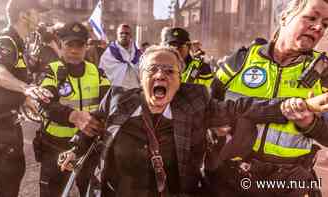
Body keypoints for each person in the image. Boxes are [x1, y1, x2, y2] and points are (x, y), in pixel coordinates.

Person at [58, 45, 328, 197]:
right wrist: (75, 148)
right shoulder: (118, 99)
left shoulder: (195, 103)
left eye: (169, 70)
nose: (161, 75)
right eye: (153, 69)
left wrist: (296, 105)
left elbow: (243, 108)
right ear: (141, 77)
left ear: (180, 79)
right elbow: (94, 126)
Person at [210, 0, 328, 196]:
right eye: (311, 17)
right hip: (231, 179)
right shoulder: (240, 60)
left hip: (288, 184)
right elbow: (207, 106)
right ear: (284, 17)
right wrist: (215, 124)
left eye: (325, 24)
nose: (318, 28)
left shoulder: (324, 73)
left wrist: (309, 124)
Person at [0, 0, 53, 196]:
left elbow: (3, 84)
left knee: (10, 180)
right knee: (8, 184)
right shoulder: (6, 40)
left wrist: (24, 100)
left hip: (5, 123)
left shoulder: (17, 42)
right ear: (24, 15)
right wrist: (26, 88)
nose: (40, 19)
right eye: (37, 13)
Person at [37, 22, 110, 197]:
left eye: (80, 45)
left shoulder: (97, 72)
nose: (74, 50)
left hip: (89, 148)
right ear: (61, 45)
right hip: (56, 147)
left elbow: (108, 105)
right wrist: (73, 116)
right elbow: (44, 105)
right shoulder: (51, 71)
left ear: (86, 47)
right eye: (70, 44)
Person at [99, 24, 141, 89]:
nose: (124, 35)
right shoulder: (109, 53)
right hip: (116, 92)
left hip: (135, 91)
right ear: (117, 35)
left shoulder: (138, 54)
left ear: (131, 36)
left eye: (127, 33)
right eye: (121, 33)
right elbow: (102, 74)